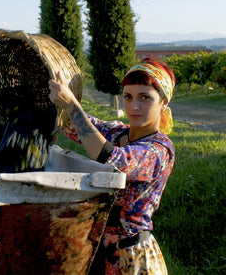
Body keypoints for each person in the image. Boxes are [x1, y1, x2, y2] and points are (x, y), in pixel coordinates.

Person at [49, 57, 175, 274]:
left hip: (132, 258)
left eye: (145, 98)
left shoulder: (159, 150)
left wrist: (71, 105)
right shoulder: (119, 132)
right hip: (100, 249)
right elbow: (74, 125)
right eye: (128, 97)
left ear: (163, 102)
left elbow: (112, 160)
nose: (134, 106)